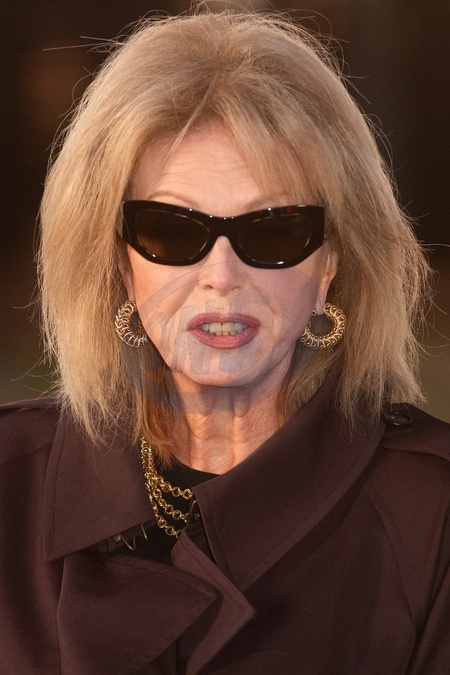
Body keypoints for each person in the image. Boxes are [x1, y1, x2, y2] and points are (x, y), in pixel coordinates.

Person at [1, 9, 449, 674]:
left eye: (272, 230)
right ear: (120, 260)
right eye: (171, 229)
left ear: (331, 262)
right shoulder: (10, 483)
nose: (221, 276)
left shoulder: (434, 515)